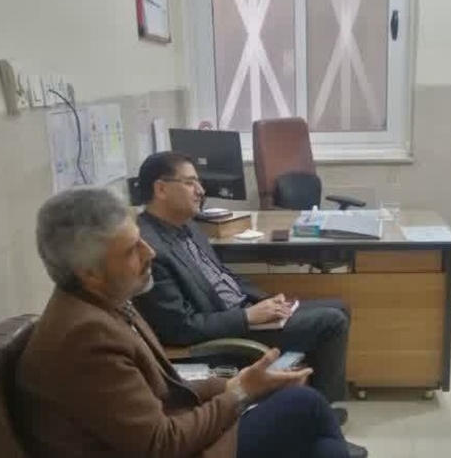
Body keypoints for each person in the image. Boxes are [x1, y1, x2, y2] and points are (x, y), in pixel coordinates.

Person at [16, 187, 362, 458]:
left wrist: (235, 383)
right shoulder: (85, 338)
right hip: (173, 448)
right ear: (89, 273)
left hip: (175, 431)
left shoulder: (105, 303)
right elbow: (160, 445)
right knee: (305, 405)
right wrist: (240, 394)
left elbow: (165, 390)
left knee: (321, 447)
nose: (150, 253)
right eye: (132, 250)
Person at [132, 152, 353, 421]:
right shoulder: (150, 249)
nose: (201, 190)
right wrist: (249, 316)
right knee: (332, 322)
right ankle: (322, 414)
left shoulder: (186, 225)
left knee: (339, 306)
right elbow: (180, 328)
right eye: (190, 183)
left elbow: (225, 276)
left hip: (244, 312)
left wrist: (267, 301)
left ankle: (310, 403)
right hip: (224, 332)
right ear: (161, 189)